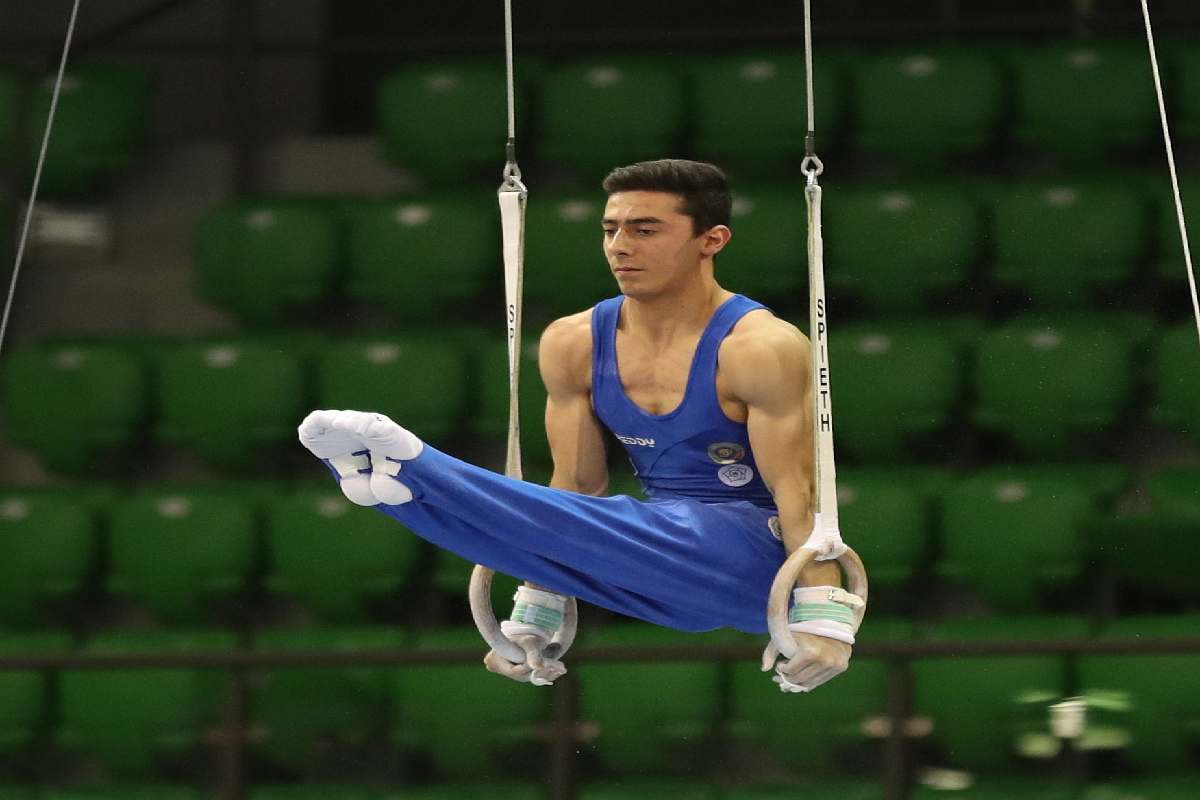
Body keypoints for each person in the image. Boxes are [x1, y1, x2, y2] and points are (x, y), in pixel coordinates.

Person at [298, 159, 861, 692]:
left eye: (645, 230)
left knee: (641, 524)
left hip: (754, 557)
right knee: (586, 521)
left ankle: (422, 468)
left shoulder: (759, 347)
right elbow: (576, 488)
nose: (620, 246)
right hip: (657, 572)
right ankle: (401, 494)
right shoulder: (574, 342)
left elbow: (800, 493)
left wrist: (826, 621)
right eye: (610, 229)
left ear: (711, 240)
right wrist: (535, 618)